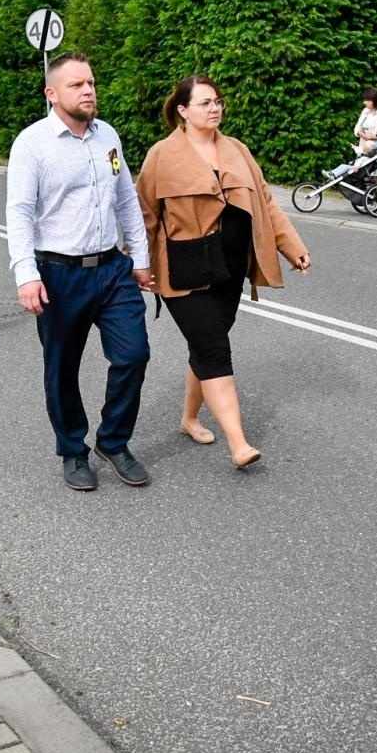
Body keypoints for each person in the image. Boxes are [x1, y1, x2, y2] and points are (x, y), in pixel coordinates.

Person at [137, 76, 311, 470]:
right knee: (214, 347)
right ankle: (239, 442)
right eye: (204, 103)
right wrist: (140, 264)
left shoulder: (237, 151)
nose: (214, 109)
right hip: (184, 270)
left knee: (205, 345)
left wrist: (292, 247)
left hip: (231, 270)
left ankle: (189, 418)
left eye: (218, 102)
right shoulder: (161, 156)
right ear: (182, 110)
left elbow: (265, 202)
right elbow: (144, 216)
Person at [6, 53, 152, 492]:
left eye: (90, 82)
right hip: (58, 274)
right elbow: (19, 212)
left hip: (112, 269)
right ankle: (73, 449)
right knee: (62, 368)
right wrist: (25, 274)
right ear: (52, 94)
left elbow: (125, 198)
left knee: (133, 355)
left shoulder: (107, 135)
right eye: (76, 85)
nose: (88, 90)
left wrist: (140, 258)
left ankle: (113, 440)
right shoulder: (32, 143)